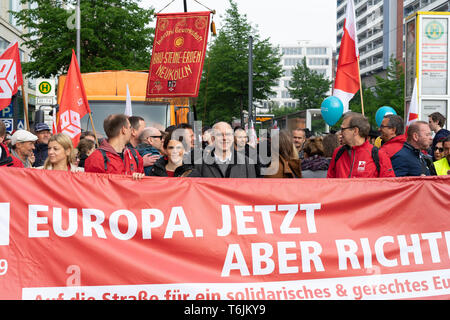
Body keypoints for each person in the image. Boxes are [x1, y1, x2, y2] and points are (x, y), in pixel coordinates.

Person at [327, 112, 395, 178]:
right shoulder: (338, 153)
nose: (340, 133)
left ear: (355, 131)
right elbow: (329, 184)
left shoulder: (379, 155)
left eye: (343, 129)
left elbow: (389, 186)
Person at [84, 114, 144, 179]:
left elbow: (143, 184)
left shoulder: (134, 155)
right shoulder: (96, 158)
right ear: (124, 129)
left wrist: (139, 178)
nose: (131, 131)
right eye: (130, 127)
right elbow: (93, 186)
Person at [188, 122, 257, 178]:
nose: (224, 138)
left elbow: (251, 190)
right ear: (212, 139)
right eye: (219, 135)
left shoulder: (247, 163)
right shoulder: (200, 164)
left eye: (228, 134)